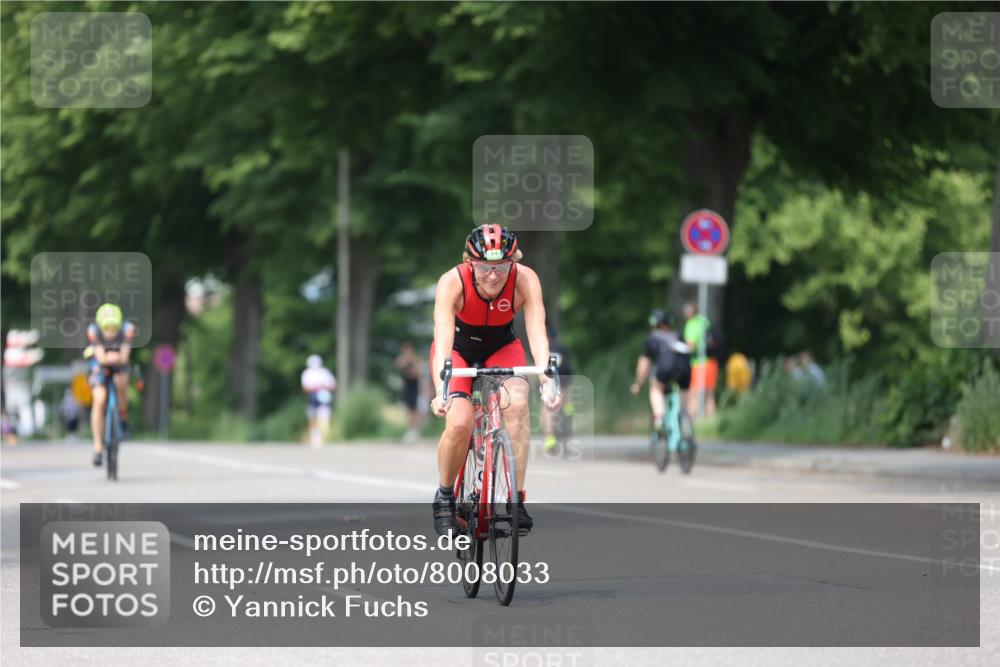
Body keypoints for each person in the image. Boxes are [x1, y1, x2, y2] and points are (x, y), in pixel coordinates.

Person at [429, 224, 561, 536]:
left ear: (512, 261)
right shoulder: (452, 282)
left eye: (502, 266)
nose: (494, 275)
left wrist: (546, 379)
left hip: (502, 347)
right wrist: (440, 389)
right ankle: (445, 495)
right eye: (485, 267)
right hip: (458, 351)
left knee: (516, 404)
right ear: (469, 262)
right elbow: (443, 337)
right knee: (459, 423)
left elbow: (537, 331)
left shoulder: (525, 279)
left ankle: (516, 499)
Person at [87, 304, 137, 466]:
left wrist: (118, 357)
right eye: (106, 327)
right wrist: (109, 358)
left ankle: (122, 417)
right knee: (99, 399)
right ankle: (97, 447)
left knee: (121, 382)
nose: (110, 330)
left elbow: (124, 357)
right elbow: (101, 357)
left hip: (119, 364)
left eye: (114, 326)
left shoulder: (127, 330)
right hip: (100, 365)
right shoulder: (94, 331)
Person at [631, 310, 691, 430]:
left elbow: (644, 363)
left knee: (656, 387)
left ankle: (659, 418)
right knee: (684, 390)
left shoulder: (652, 337)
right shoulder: (678, 335)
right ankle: (684, 418)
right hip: (685, 369)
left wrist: (638, 383)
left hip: (665, 368)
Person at [683, 302, 717, 420]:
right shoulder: (704, 321)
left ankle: (692, 424)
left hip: (698, 364)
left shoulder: (691, 324)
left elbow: (690, 346)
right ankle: (711, 423)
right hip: (711, 362)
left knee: (693, 394)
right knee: (709, 395)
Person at [542, 328, 574, 454]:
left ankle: (550, 438)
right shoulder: (562, 348)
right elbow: (569, 367)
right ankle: (569, 410)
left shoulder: (543, 350)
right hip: (564, 381)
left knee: (546, 408)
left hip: (550, 382)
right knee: (567, 398)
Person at [301, 355, 337, 448]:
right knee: (313, 417)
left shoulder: (324, 372)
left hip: (324, 397)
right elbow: (305, 388)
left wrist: (324, 387)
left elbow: (333, 385)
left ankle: (324, 437)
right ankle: (314, 438)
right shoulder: (307, 373)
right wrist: (315, 388)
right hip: (312, 397)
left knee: (324, 417)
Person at [394, 341, 423, 442]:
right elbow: (398, 363)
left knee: (414, 410)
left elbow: (418, 373)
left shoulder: (416, 359)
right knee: (409, 410)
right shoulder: (404, 359)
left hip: (414, 387)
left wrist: (413, 365)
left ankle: (414, 430)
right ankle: (411, 429)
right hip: (406, 387)